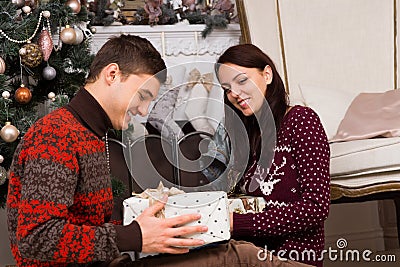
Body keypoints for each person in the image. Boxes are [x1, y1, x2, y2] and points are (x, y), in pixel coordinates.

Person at [6, 35, 312, 267]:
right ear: (112, 75)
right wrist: (136, 236)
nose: (143, 111)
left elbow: (88, 230)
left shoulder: (90, 132)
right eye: (143, 96)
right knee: (240, 257)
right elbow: (36, 238)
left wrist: (158, 223)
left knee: (227, 252)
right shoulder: (56, 134)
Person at [215, 44, 331, 267]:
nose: (234, 94)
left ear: (267, 74)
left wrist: (236, 223)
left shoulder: (301, 120)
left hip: (290, 258)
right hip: (245, 254)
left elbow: (316, 208)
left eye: (241, 81)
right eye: (227, 88)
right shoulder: (246, 136)